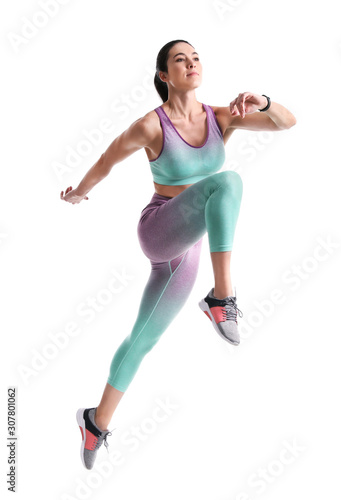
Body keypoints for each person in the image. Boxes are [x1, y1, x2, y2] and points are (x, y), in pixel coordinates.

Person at [60, 39, 296, 470]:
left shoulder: (223, 116)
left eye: (196, 57)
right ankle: (221, 299)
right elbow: (107, 159)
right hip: (160, 228)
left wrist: (262, 100)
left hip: (185, 254)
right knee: (227, 183)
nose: (191, 63)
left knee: (142, 340)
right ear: (164, 76)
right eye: (179, 59)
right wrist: (79, 193)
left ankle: (95, 422)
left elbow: (286, 122)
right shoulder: (152, 126)